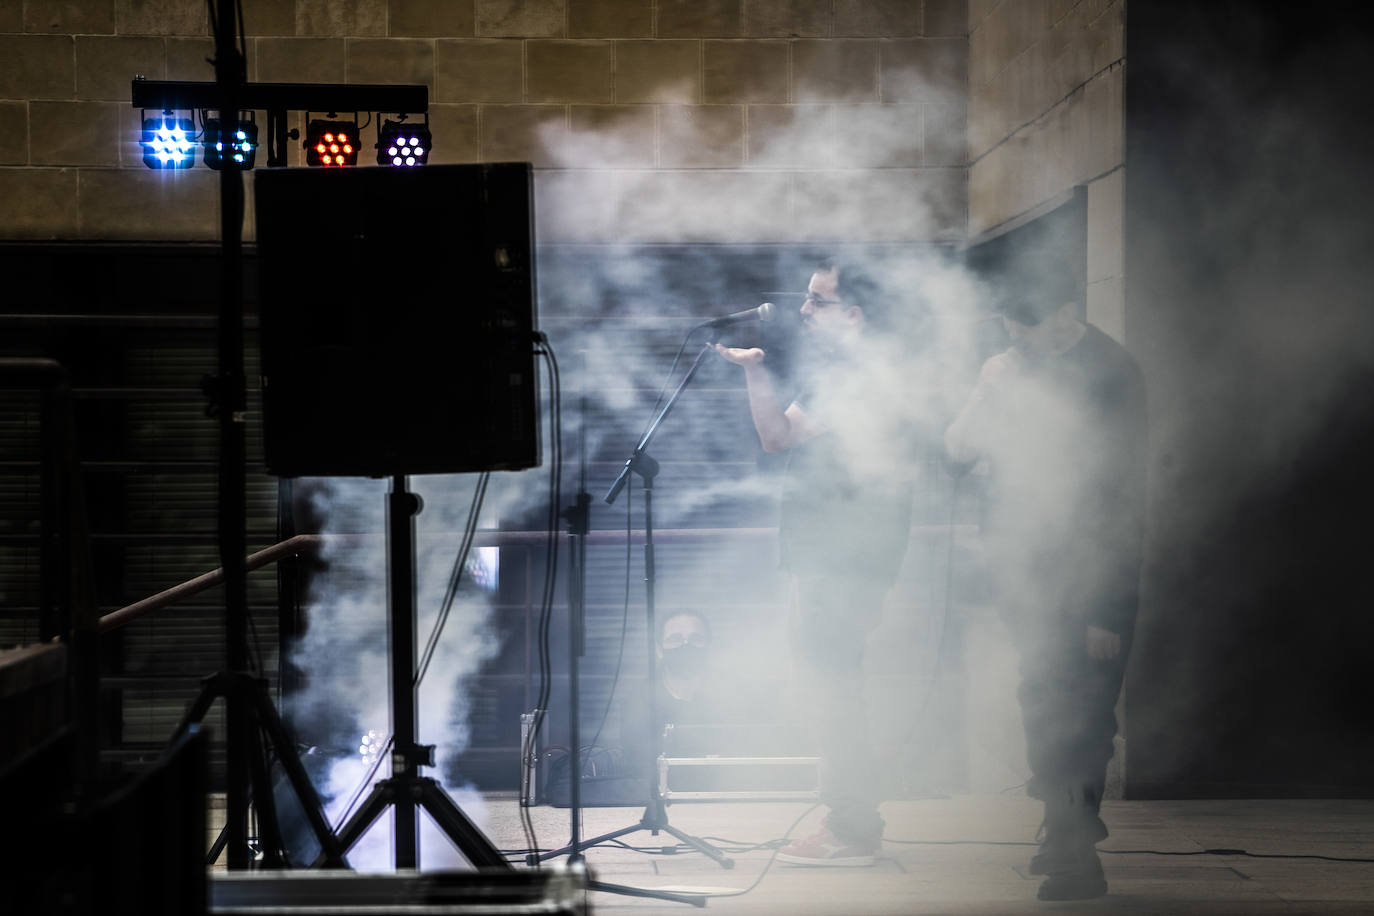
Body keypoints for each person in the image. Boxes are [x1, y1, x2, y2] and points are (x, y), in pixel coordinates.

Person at [944, 277, 1147, 901]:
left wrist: (1106, 607)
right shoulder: (1009, 369)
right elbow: (955, 453)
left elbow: (1120, 492)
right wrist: (985, 390)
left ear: (1066, 312)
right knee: (1041, 697)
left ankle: (1075, 853)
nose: (1015, 336)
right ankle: (1063, 827)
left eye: (1024, 325)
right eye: (1008, 323)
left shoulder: (1113, 371)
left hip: (1090, 574)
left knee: (1082, 712)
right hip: (1024, 569)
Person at [715, 259, 918, 867]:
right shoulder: (850, 370)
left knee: (835, 689)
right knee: (830, 686)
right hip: (833, 558)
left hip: (845, 560)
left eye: (818, 302)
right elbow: (778, 437)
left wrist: (755, 374)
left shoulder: (866, 376)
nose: (804, 310)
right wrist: (755, 371)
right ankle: (850, 822)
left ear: (854, 314)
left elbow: (777, 439)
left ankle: (853, 829)